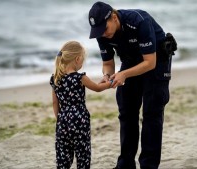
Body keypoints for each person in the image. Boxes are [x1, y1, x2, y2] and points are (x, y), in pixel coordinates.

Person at [88, 1, 177, 169]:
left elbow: (149, 63)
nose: (103, 34)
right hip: (131, 60)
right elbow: (107, 63)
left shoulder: (139, 21)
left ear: (114, 17)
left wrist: (124, 74)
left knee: (152, 112)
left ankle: (148, 166)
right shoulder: (102, 33)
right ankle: (126, 164)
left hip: (156, 59)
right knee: (126, 110)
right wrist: (107, 76)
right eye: (98, 31)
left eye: (104, 29)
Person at [50, 41, 111, 169]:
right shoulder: (80, 78)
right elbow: (98, 88)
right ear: (77, 59)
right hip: (80, 120)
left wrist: (60, 118)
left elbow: (55, 103)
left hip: (63, 121)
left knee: (63, 155)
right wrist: (111, 82)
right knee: (82, 153)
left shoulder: (55, 78)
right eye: (82, 59)